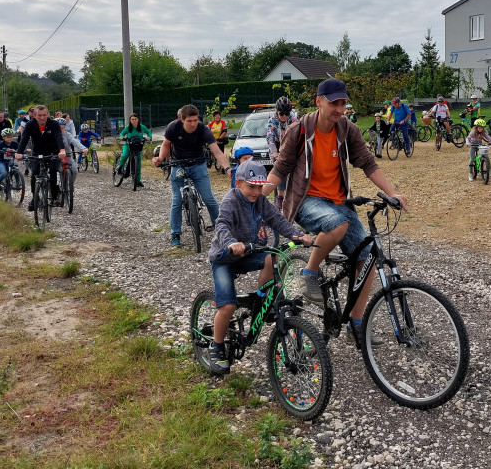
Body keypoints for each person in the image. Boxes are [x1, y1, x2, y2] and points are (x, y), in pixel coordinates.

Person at [264, 78, 408, 348]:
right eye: (334, 103)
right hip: (307, 201)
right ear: (319, 101)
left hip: (339, 202)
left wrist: (392, 192)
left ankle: (356, 323)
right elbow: (280, 169)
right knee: (337, 223)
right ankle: (309, 274)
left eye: (343, 103)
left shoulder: (347, 129)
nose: (340, 109)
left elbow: (367, 162)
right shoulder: (298, 131)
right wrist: (257, 198)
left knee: (365, 260)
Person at [205, 160, 314, 374]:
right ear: (239, 183)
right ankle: (216, 346)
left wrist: (296, 235)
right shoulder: (230, 200)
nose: (256, 191)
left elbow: (276, 219)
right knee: (227, 306)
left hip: (249, 253)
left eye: (260, 186)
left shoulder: (260, 201)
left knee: (271, 257)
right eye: (251, 186)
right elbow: (222, 224)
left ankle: (264, 298)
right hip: (225, 258)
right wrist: (230, 243)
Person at [153, 104, 231, 248]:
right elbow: (165, 145)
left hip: (198, 165)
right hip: (178, 165)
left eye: (195, 120)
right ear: (182, 120)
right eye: (190, 121)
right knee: (177, 200)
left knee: (209, 198)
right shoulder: (173, 127)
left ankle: (221, 229)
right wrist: (160, 158)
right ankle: (175, 234)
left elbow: (216, 151)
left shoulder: (203, 129)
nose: (193, 123)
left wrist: (227, 168)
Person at [15, 105, 67, 210]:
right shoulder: (30, 125)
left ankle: (55, 195)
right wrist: (19, 152)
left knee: (53, 171)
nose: (42, 118)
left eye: (44, 115)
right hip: (37, 153)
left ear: (48, 115)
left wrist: (62, 150)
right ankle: (35, 198)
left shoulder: (54, 124)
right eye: (39, 115)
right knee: (34, 174)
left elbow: (58, 136)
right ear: (34, 115)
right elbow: (24, 138)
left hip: (53, 152)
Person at [265, 97, 294, 208]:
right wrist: (275, 153)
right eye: (281, 113)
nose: (284, 116)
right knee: (282, 169)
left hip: (289, 145)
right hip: (276, 146)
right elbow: (270, 138)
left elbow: (298, 134)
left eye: (286, 113)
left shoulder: (293, 119)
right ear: (277, 111)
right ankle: (280, 197)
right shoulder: (272, 121)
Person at [118, 115, 152, 189]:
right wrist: (121, 137)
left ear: (138, 120)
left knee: (138, 164)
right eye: (132, 119)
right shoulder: (128, 127)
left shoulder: (142, 127)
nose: (134, 120)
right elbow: (122, 133)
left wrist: (149, 137)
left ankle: (138, 181)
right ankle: (120, 167)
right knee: (124, 155)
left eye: (135, 119)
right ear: (130, 120)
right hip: (128, 145)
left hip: (138, 146)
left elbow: (148, 132)